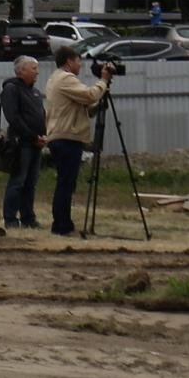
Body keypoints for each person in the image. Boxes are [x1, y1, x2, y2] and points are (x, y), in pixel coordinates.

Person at [44, 50, 113, 238]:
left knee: (66, 183)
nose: (80, 65)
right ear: (69, 62)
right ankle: (62, 226)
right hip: (66, 138)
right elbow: (90, 95)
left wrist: (99, 106)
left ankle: (63, 224)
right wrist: (103, 80)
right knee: (66, 184)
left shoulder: (56, 78)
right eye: (78, 61)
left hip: (62, 136)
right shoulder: (65, 78)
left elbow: (84, 108)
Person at [0, 56, 46, 230]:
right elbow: (13, 117)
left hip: (36, 144)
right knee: (18, 181)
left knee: (31, 183)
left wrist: (43, 135)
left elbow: (42, 114)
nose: (37, 72)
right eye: (34, 68)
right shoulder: (11, 89)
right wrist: (31, 136)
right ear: (22, 71)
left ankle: (28, 218)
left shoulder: (35, 92)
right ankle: (10, 219)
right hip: (21, 144)